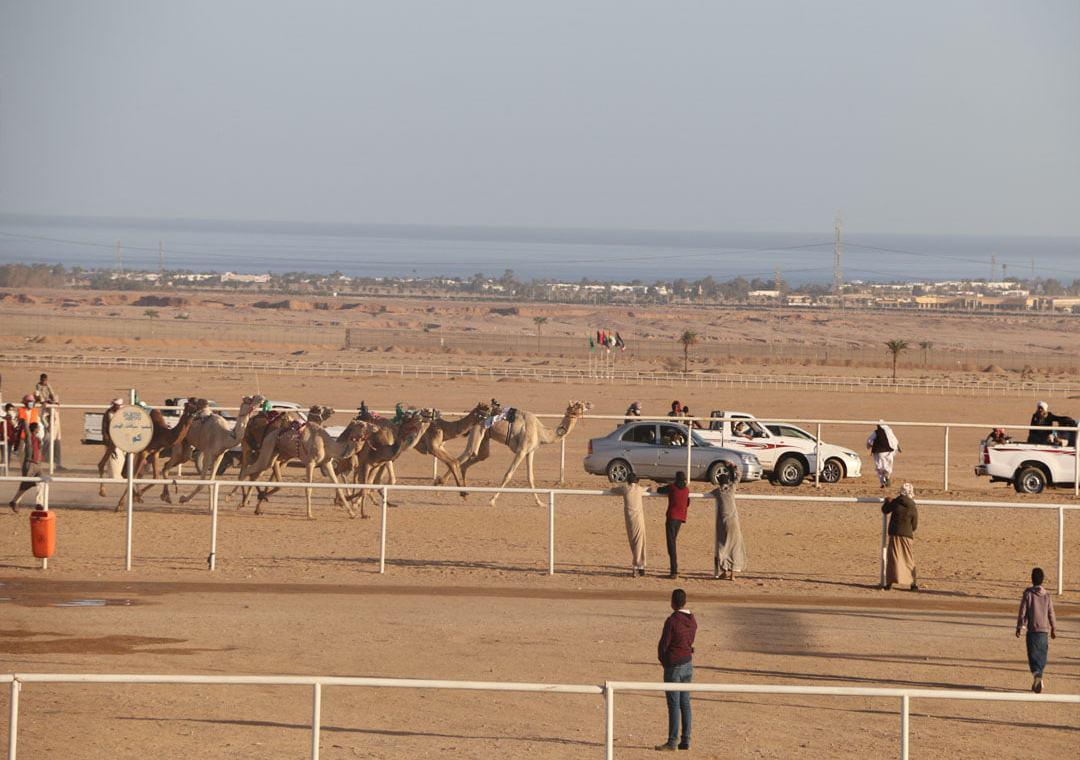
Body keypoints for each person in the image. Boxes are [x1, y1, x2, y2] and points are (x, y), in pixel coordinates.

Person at [655, 588, 696, 752]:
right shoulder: (692, 620)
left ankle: (672, 741)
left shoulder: (672, 621)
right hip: (687, 663)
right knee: (685, 702)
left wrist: (664, 661)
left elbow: (664, 645)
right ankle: (685, 739)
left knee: (674, 703)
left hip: (674, 665)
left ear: (672, 602)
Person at [1015, 567, 1057, 693]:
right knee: (1042, 655)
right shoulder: (1047, 595)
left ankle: (1037, 675)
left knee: (1032, 656)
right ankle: (1039, 676)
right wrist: (1054, 628)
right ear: (1043, 580)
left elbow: (1022, 611)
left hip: (1032, 630)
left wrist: (1019, 626)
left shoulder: (1028, 593)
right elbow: (1051, 613)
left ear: (1031, 579)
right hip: (1044, 631)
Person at [712, 463, 746, 580]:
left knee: (723, 547)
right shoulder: (731, 489)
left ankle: (724, 571)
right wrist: (733, 467)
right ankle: (732, 574)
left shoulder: (717, 492)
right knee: (735, 547)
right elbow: (738, 476)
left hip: (723, 523)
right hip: (734, 523)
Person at [881, 483, 918, 591]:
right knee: (908, 559)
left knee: (893, 559)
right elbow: (914, 525)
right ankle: (913, 584)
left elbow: (885, 510)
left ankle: (889, 583)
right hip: (907, 535)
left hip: (895, 534)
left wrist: (888, 501)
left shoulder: (896, 502)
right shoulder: (912, 505)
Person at [611, 472, 648, 576]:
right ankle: (638, 566)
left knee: (633, 541)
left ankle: (639, 566)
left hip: (629, 519)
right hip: (638, 519)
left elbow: (613, 490)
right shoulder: (638, 489)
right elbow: (646, 489)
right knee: (640, 541)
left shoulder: (625, 489)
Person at [657, 471, 690, 579]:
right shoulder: (686, 490)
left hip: (672, 517)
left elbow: (660, 490)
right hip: (680, 519)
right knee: (673, 543)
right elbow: (687, 502)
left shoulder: (672, 487)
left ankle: (674, 571)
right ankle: (674, 569)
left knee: (671, 545)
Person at [9, 421, 44, 512]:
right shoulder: (29, 438)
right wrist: (24, 423)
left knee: (42, 482)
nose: (39, 429)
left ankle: (39, 503)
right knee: (25, 485)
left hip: (37, 465)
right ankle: (14, 501)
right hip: (29, 464)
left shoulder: (38, 438)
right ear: (34, 429)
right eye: (38, 427)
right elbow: (27, 432)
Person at [866, 421, 900, 488]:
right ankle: (887, 478)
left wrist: (869, 446)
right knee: (888, 467)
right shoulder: (890, 432)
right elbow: (895, 441)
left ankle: (883, 482)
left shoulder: (876, 432)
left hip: (880, 452)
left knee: (880, 468)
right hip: (890, 452)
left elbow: (869, 441)